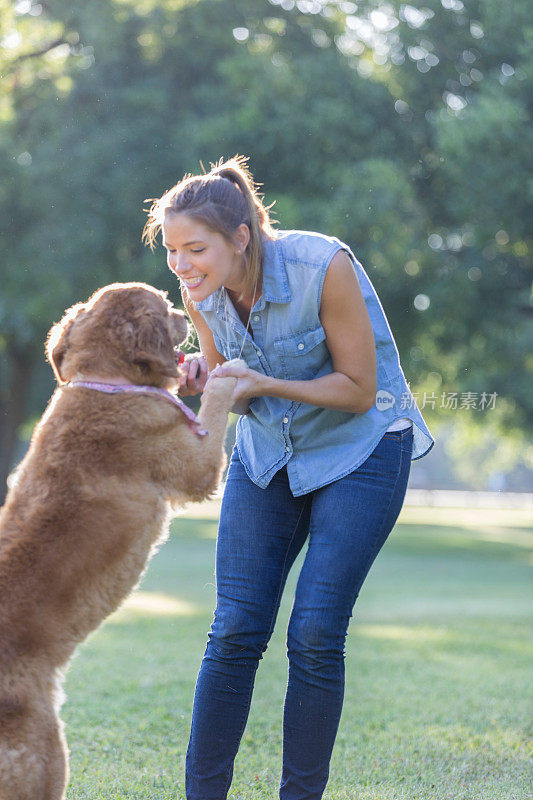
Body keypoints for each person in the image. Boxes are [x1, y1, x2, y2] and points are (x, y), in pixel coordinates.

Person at [142, 155, 434, 800]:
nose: (182, 266)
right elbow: (235, 393)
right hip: (268, 452)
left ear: (240, 236)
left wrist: (262, 381)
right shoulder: (201, 294)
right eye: (171, 250)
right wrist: (206, 380)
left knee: (316, 630)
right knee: (236, 626)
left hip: (361, 450)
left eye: (196, 249)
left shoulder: (321, 265)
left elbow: (360, 391)